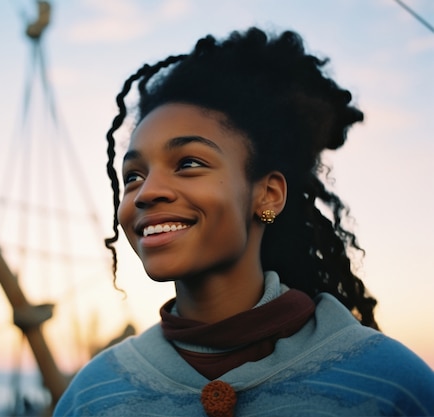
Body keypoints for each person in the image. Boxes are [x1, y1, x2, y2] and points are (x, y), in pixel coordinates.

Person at [53, 27, 434, 416]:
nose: (147, 192)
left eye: (188, 164)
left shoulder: (390, 385)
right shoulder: (94, 394)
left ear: (267, 195)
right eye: (133, 175)